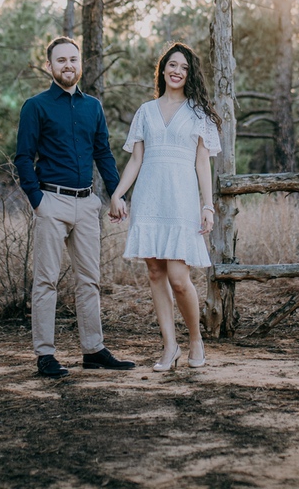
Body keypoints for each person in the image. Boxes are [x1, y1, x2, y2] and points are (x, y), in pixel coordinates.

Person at [14, 36, 136, 378]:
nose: (68, 65)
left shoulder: (92, 107)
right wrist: (37, 200)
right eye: (61, 60)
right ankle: (45, 355)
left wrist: (116, 194)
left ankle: (93, 350)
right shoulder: (35, 106)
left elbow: (104, 154)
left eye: (73, 60)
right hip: (51, 201)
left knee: (89, 281)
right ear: (50, 66)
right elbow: (24, 157)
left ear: (79, 64)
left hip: (87, 204)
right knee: (46, 282)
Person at [108, 42, 222, 371]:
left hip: (182, 200)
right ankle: (170, 346)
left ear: (190, 75)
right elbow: (136, 159)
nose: (177, 71)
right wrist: (118, 194)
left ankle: (196, 338)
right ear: (163, 69)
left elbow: (203, 164)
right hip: (150, 198)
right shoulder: (146, 111)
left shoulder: (198, 114)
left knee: (179, 278)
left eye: (184, 68)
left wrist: (208, 205)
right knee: (155, 272)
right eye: (172, 65)